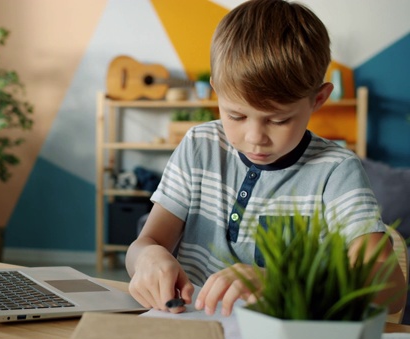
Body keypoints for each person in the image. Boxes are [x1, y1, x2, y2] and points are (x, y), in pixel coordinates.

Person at [125, 0, 406, 317]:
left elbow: (391, 291)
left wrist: (283, 283)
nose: (255, 136)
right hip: (191, 329)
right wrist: (147, 257)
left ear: (319, 99)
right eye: (236, 115)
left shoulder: (336, 171)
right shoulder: (199, 146)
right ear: (216, 92)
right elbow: (146, 242)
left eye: (278, 120)